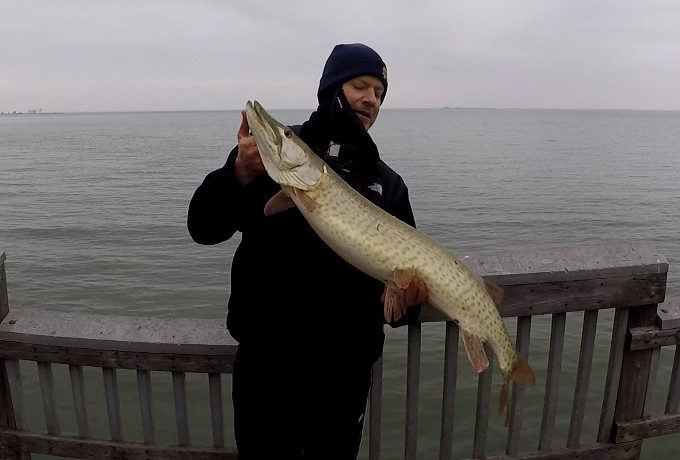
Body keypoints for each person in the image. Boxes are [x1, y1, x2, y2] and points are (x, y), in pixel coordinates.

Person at [187, 43, 427, 459]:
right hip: (266, 373)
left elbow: (403, 312)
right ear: (333, 88)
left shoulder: (388, 186)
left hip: (343, 382)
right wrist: (237, 173)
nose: (371, 99)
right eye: (360, 85)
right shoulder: (270, 159)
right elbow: (203, 228)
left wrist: (408, 300)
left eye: (380, 93)